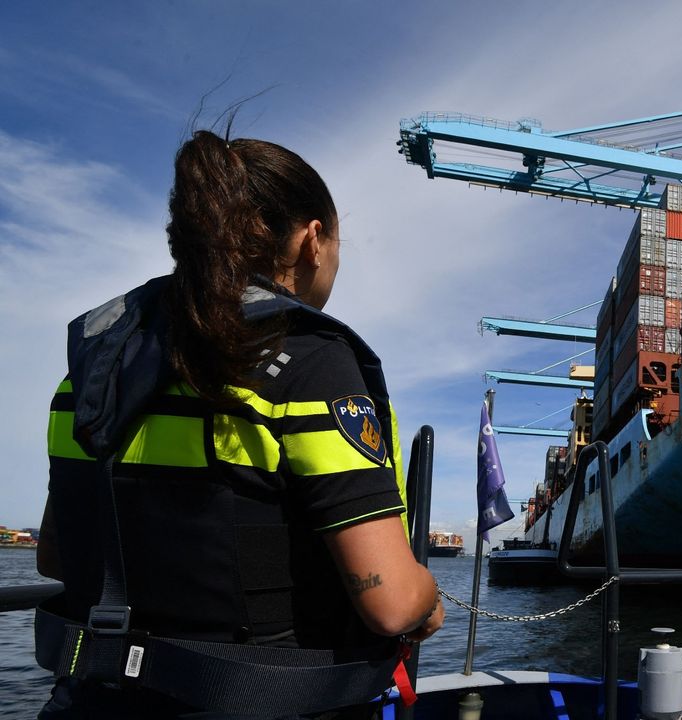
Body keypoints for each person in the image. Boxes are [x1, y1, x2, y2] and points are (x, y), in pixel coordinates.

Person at [35, 129, 443, 718]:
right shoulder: (308, 362)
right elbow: (391, 603)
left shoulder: (93, 369)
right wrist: (428, 601)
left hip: (91, 701)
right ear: (312, 239)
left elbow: (56, 557)